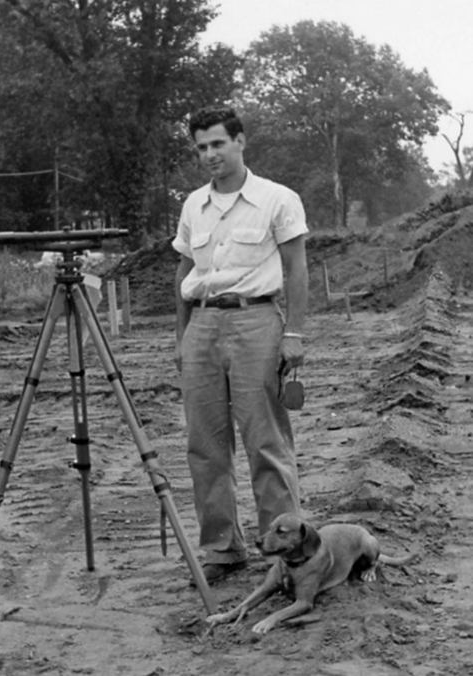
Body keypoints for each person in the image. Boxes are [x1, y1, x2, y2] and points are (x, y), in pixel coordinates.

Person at [172, 105, 309, 584]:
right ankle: (221, 549)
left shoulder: (277, 199)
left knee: (265, 441)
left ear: (240, 142)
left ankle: (287, 554)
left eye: (217, 144)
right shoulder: (193, 205)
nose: (210, 155)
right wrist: (182, 336)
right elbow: (184, 270)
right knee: (205, 445)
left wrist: (293, 332)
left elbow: (296, 268)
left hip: (258, 322)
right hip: (204, 326)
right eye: (201, 147)